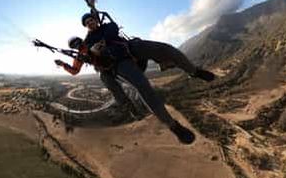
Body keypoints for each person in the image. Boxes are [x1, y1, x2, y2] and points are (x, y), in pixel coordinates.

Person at [55, 12, 216, 145]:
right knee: (143, 87)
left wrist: (99, 36)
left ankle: (194, 71)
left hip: (131, 49)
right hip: (120, 64)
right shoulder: (86, 46)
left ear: (96, 20)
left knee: (166, 49)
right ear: (84, 28)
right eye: (87, 22)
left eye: (91, 20)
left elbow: (112, 30)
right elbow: (76, 69)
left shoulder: (107, 27)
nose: (90, 23)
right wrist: (66, 63)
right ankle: (173, 126)